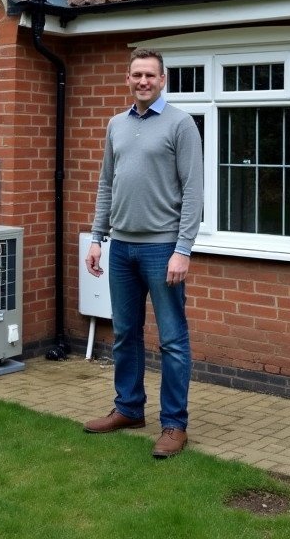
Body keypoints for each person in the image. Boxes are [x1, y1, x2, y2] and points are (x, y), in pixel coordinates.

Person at [83, 48, 204, 458]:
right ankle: (129, 409)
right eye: (136, 74)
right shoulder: (116, 125)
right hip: (121, 248)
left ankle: (174, 424)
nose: (143, 81)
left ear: (163, 79)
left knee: (172, 339)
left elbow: (193, 192)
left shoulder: (181, 124)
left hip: (163, 248)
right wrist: (97, 237)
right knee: (124, 334)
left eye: (150, 75)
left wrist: (183, 249)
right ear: (129, 79)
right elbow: (106, 185)